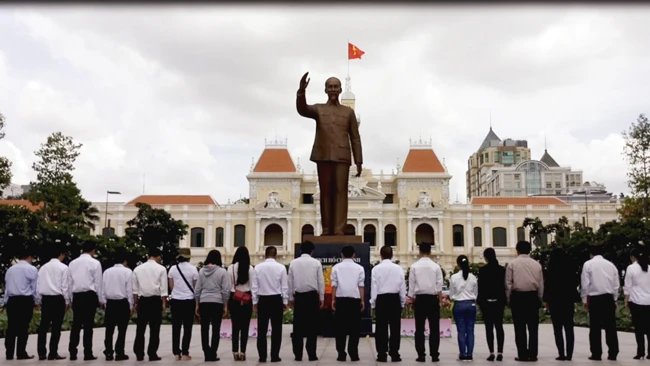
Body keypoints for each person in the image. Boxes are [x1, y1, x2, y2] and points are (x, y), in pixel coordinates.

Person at [295, 73, 363, 236]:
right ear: (326, 89)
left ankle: (339, 229)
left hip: (342, 156)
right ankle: (326, 229)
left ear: (340, 90)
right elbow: (302, 109)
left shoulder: (348, 112)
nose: (333, 89)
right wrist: (301, 92)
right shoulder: (319, 109)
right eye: (330, 86)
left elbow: (355, 137)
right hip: (323, 155)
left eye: (335, 86)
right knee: (325, 193)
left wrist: (359, 161)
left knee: (341, 192)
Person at [505, 241, 543, 362]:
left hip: (518, 297)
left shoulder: (512, 264)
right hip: (532, 296)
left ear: (517, 250)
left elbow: (508, 283)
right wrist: (539, 298)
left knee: (519, 328)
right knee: (533, 328)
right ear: (529, 250)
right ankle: (533, 354)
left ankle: (522, 354)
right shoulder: (537, 264)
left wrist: (509, 298)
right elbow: (541, 284)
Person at [581, 245, 620, 361]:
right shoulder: (611, 265)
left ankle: (596, 353)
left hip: (595, 299)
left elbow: (585, 284)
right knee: (611, 326)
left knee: (595, 327)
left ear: (591, 254)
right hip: (608, 298)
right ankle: (613, 352)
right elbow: (616, 285)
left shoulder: (588, 264)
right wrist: (615, 299)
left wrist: (585, 300)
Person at [288, 241, 325, 362]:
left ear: (300, 250)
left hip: (299, 297)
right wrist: (322, 298)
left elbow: (290, 282)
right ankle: (312, 354)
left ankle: (298, 354)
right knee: (312, 327)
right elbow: (320, 282)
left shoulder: (293, 263)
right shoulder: (316, 263)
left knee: (297, 327)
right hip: (312, 297)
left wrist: (290, 298)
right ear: (312, 251)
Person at [407, 242, 443, 363]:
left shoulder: (414, 266)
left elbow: (411, 285)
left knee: (419, 328)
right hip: (432, 299)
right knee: (434, 328)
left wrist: (411, 299)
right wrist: (440, 301)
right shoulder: (436, 267)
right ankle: (434, 354)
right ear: (430, 251)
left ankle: (421, 355)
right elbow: (439, 286)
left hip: (420, 299)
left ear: (419, 251)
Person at [252, 246, 289, 363]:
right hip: (276, 299)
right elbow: (284, 286)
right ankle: (274, 356)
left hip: (263, 299)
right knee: (276, 329)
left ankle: (262, 356)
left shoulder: (258, 267)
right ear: (276, 255)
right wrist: (285, 301)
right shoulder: (281, 267)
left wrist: (255, 302)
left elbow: (255, 287)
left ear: (265, 255)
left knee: (262, 330)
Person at [67, 240, 103, 361]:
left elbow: (69, 283)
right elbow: (98, 283)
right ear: (93, 250)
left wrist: (70, 299)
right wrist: (100, 299)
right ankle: (88, 353)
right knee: (88, 326)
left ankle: (72, 352)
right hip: (89, 296)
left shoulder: (72, 263)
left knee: (76, 324)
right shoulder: (95, 263)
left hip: (77, 295)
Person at [543, 248, 580, 361]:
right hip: (567, 300)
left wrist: (546, 301)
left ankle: (561, 353)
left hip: (555, 301)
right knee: (569, 327)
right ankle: (569, 354)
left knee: (557, 328)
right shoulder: (569, 268)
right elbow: (575, 282)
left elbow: (547, 285)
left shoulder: (551, 268)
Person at [132, 247, 169, 361]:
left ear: (148, 256)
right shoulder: (161, 269)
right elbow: (163, 289)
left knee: (140, 328)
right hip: (155, 300)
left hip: (143, 300)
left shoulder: (138, 269)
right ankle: (152, 353)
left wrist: (136, 303)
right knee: (155, 329)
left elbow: (135, 290)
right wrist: (164, 303)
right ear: (158, 257)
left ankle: (139, 353)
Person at [370, 245, 406, 362]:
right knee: (395, 327)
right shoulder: (398, 269)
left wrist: (373, 303)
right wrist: (402, 302)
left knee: (381, 327)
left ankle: (382, 353)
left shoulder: (376, 269)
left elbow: (374, 288)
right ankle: (395, 353)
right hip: (394, 298)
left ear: (381, 255)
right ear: (392, 255)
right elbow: (402, 287)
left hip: (381, 299)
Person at [331, 245, 365, 362]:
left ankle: (341, 353)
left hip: (341, 300)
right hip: (354, 300)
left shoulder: (336, 267)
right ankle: (353, 353)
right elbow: (361, 286)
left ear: (341, 255)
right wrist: (362, 300)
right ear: (354, 255)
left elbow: (334, 285)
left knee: (340, 329)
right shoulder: (359, 268)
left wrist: (333, 300)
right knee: (355, 329)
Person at [195, 250, 231, 362]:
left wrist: (197, 304)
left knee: (204, 329)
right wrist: (225, 305)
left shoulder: (201, 271)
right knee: (216, 329)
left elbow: (197, 290)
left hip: (204, 302)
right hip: (217, 302)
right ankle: (213, 353)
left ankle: (206, 353)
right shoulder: (222, 272)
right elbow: (226, 290)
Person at [36, 244, 71, 361]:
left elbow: (38, 285)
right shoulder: (63, 268)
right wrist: (67, 301)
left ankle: (41, 353)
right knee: (56, 327)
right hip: (58, 299)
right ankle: (53, 352)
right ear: (61, 255)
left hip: (46, 299)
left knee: (43, 326)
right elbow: (65, 286)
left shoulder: (43, 268)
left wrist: (38, 300)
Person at [2, 249, 38, 360]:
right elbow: (34, 288)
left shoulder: (10, 270)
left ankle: (9, 353)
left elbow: (7, 289)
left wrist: (4, 303)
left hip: (12, 301)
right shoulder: (32, 269)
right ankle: (21, 352)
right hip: (25, 301)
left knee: (11, 327)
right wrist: (37, 302)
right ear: (29, 257)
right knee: (23, 327)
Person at [100, 249, 134, 361]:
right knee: (122, 330)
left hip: (110, 303)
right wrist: (131, 305)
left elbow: (103, 288)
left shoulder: (107, 272)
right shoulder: (128, 272)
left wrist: (104, 301)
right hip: (122, 303)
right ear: (125, 261)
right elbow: (129, 290)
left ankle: (108, 352)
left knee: (109, 330)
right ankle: (120, 352)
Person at [168, 248, 199, 360]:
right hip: (188, 300)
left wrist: (178, 292)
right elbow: (196, 287)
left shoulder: (172, 269)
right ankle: (185, 352)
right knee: (187, 328)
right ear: (189, 257)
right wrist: (197, 304)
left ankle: (176, 353)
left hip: (176, 300)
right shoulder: (193, 269)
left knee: (176, 327)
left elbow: (171, 286)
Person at [477, 248, 506, 362]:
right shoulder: (501, 270)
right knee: (499, 327)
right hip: (499, 302)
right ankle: (500, 352)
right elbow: (504, 286)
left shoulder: (483, 270)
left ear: (485, 257)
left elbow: (481, 288)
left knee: (489, 328)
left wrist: (480, 301)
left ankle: (491, 352)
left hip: (487, 302)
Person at [227, 246, 255, 362]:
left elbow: (229, 286)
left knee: (235, 326)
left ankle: (235, 351)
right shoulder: (250, 268)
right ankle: (243, 352)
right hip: (247, 298)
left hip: (235, 298)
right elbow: (253, 286)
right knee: (245, 327)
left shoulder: (230, 268)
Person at [449, 255, 478, 361]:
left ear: (458, 264)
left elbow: (451, 294)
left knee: (461, 331)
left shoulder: (454, 277)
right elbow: (476, 293)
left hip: (459, 305)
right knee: (470, 330)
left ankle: (462, 354)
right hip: (471, 304)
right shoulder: (473, 277)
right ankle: (469, 354)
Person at [624, 247, 650, 360]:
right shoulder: (649, 268)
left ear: (633, 257)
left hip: (636, 301)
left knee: (638, 328)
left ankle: (640, 352)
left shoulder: (631, 268)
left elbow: (628, 286)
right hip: (648, 301)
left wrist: (626, 300)